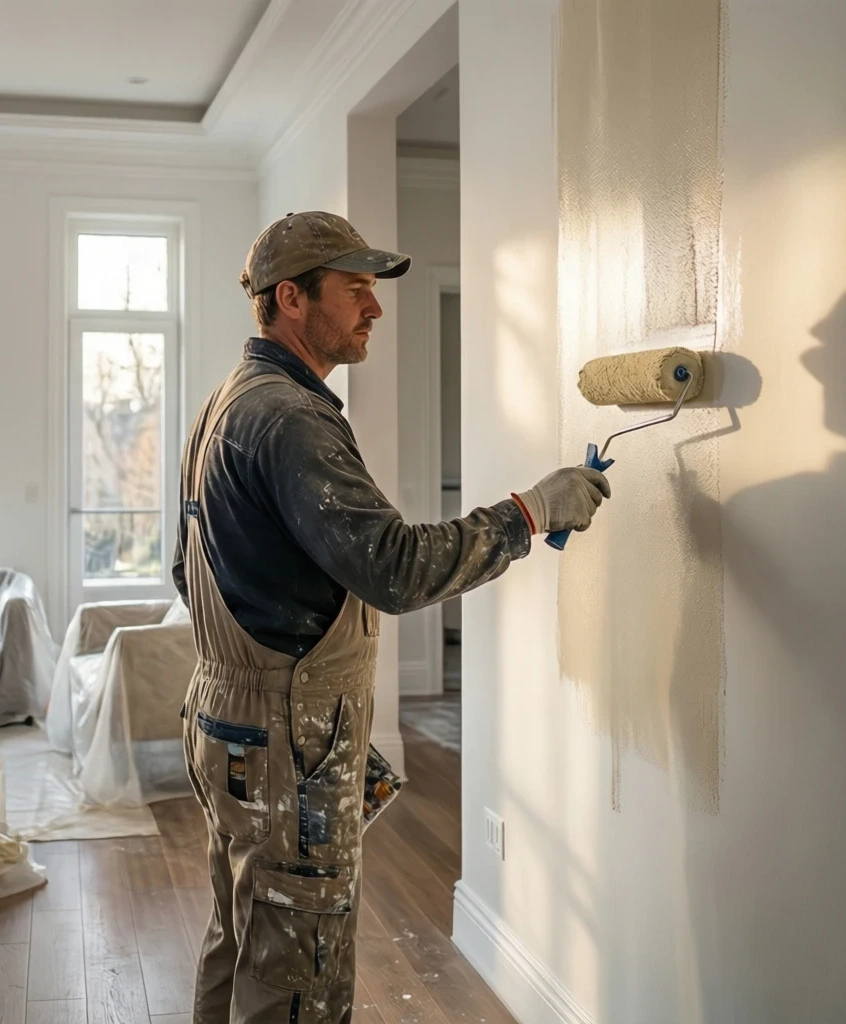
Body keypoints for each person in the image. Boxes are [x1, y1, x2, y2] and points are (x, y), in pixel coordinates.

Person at [172, 210, 610, 1023]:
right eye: (355, 290)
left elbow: (185, 569)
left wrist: (273, 677)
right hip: (280, 738)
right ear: (291, 299)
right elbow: (396, 569)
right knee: (297, 977)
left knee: (244, 933)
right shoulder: (291, 418)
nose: (374, 308)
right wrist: (532, 512)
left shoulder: (227, 403)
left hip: (228, 723)